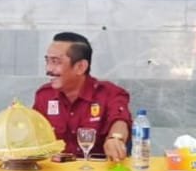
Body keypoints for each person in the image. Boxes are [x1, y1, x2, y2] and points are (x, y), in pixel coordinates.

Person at [32, 32, 132, 162]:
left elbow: (120, 120)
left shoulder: (109, 93)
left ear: (80, 67)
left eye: (56, 62)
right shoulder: (44, 95)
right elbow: (33, 133)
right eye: (48, 61)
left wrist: (116, 138)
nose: (48, 69)